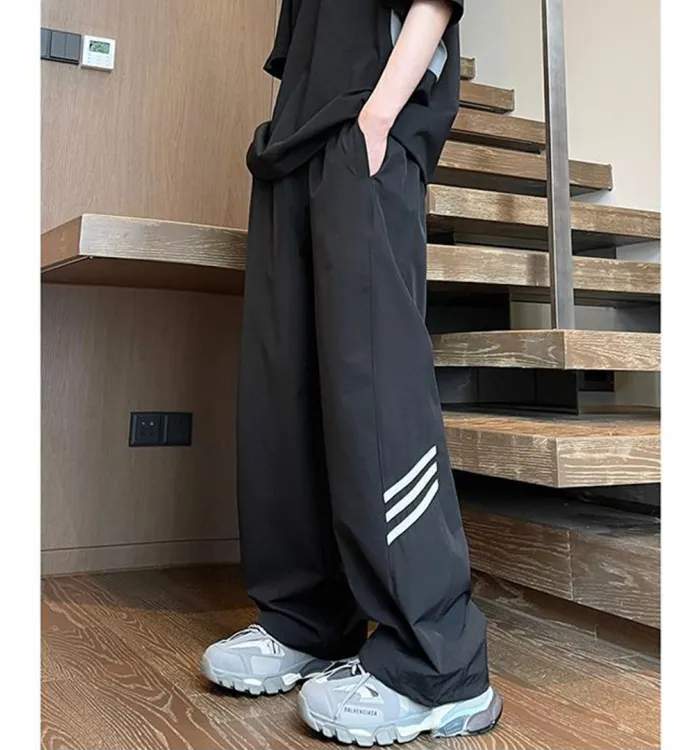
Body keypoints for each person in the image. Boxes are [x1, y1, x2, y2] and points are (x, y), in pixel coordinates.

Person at [201, 0, 502, 744]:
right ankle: (306, 618)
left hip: (366, 128)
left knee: (375, 391)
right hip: (292, 138)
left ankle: (437, 663)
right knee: (283, 392)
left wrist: (379, 117)